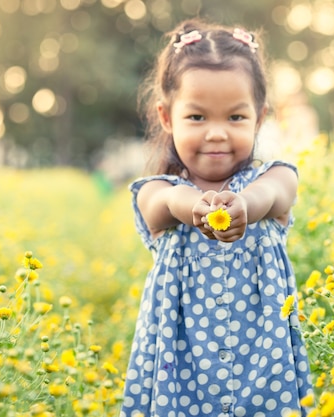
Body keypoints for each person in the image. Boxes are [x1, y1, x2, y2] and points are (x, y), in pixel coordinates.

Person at [121, 18, 312, 417]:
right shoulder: (160, 189)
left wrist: (246, 205)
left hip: (262, 362)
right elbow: (163, 204)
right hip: (180, 366)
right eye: (197, 117)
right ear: (167, 117)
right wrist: (191, 206)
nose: (216, 133)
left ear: (260, 118)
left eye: (235, 118)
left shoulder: (273, 178)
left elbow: (275, 194)